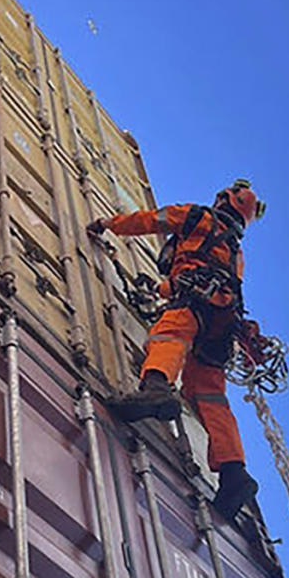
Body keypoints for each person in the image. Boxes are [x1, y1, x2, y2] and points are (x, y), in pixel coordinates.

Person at [87, 179, 264, 520]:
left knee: (167, 336)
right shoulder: (236, 252)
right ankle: (233, 472)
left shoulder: (197, 217)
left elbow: (150, 220)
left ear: (222, 199)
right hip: (223, 319)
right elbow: (212, 273)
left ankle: (155, 389)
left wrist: (108, 224)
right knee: (208, 393)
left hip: (194, 300)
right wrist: (162, 288)